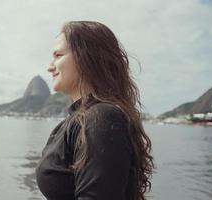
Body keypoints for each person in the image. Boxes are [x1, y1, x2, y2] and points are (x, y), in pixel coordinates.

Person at [35, 21, 154, 200]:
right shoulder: (74, 122)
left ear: (85, 56)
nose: (50, 66)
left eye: (58, 55)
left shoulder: (102, 118)